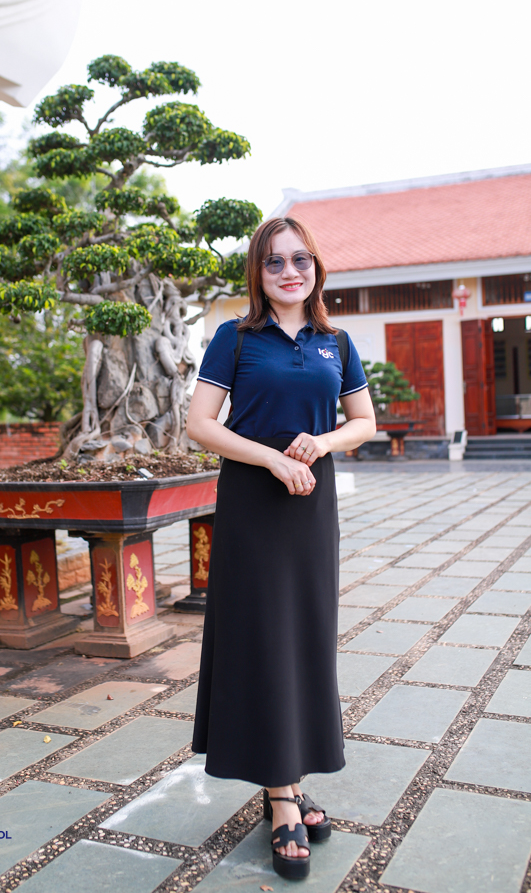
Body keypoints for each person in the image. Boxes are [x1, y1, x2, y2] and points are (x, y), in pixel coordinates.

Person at [187, 216, 376, 880]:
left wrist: (319, 443)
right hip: (252, 503)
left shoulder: (336, 342)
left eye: (300, 259)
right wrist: (270, 458)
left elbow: (363, 422)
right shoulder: (235, 338)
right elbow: (199, 424)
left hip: (310, 506)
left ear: (316, 268)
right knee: (263, 641)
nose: (289, 271)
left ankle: (288, 780)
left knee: (305, 639)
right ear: (258, 272)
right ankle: (282, 798)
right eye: (274, 262)